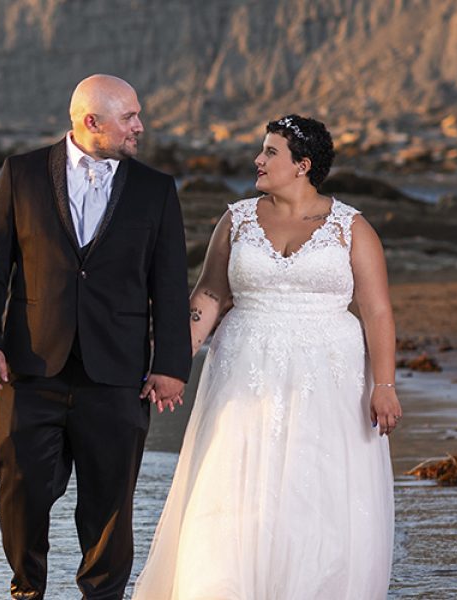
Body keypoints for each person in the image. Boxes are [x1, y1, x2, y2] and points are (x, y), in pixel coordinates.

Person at [130, 114, 401, 599]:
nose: (258, 160)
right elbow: (209, 295)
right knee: (232, 484)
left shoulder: (351, 227)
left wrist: (384, 385)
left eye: (270, 152)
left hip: (329, 378)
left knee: (316, 490)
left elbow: (378, 311)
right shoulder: (236, 219)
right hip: (244, 369)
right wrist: (172, 362)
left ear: (303, 165)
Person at [0, 74, 191, 600]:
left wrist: (171, 365)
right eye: (129, 117)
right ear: (93, 122)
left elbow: (170, 283)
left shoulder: (155, 189)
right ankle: (28, 588)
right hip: (31, 364)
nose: (140, 126)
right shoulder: (21, 174)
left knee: (110, 500)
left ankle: (104, 594)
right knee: (20, 484)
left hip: (118, 371)